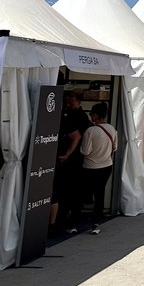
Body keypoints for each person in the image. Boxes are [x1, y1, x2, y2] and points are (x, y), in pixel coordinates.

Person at [51, 89, 91, 234]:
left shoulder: (79, 117)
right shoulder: (75, 115)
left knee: (71, 190)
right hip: (71, 158)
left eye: (71, 102)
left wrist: (68, 153)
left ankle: (69, 219)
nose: (68, 104)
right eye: (67, 102)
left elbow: (77, 137)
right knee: (68, 190)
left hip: (74, 159)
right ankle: (66, 218)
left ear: (78, 102)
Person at [79, 102, 116, 235]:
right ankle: (96, 223)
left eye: (91, 114)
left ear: (95, 115)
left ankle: (73, 223)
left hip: (90, 167)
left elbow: (85, 151)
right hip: (106, 165)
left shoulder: (90, 131)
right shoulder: (112, 129)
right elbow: (114, 147)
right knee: (99, 194)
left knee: (81, 193)